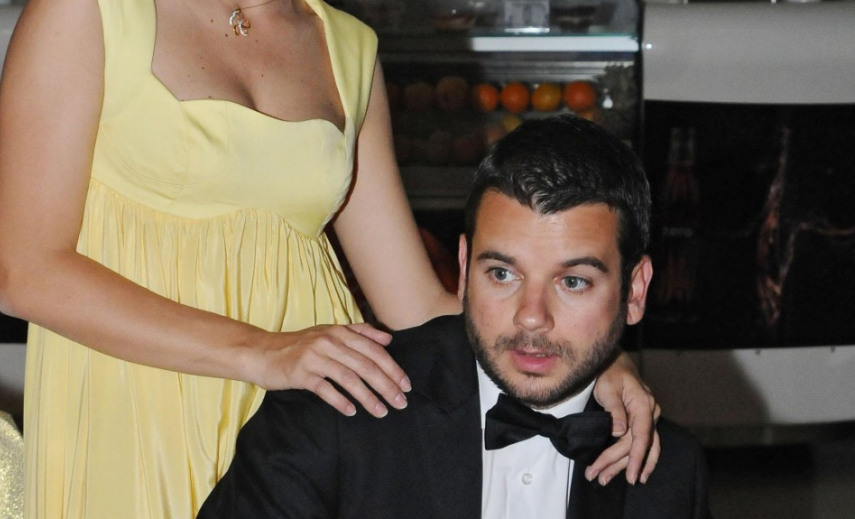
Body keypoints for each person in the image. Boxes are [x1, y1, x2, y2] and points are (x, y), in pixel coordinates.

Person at [0, 0, 659, 514]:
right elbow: (25, 272)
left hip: (312, 407)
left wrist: (594, 360)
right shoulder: (87, 13)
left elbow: (416, 303)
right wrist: (262, 351)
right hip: (138, 398)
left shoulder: (346, 47)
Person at [198, 116, 711, 519]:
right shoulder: (334, 415)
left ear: (634, 290)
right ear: (464, 269)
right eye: (503, 274)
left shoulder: (668, 471)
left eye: (572, 282)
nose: (532, 318)